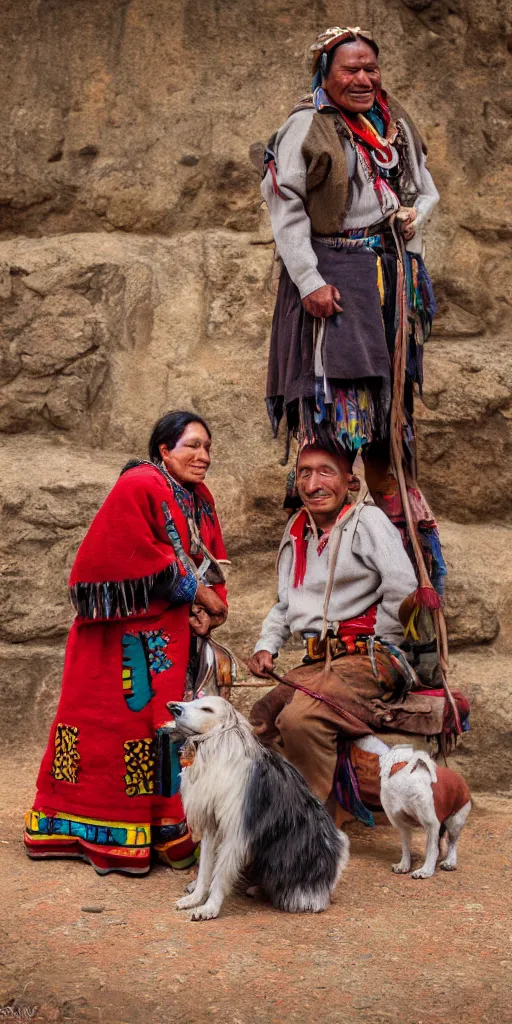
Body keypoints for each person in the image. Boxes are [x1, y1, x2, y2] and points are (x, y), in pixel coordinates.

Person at [261, 25, 446, 604]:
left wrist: (416, 218)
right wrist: (310, 280)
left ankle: (412, 573)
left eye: (371, 68)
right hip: (334, 278)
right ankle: (329, 578)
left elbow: (425, 189)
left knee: (390, 427)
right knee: (336, 414)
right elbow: (284, 205)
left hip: (388, 280)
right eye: (351, 69)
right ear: (325, 72)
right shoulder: (304, 127)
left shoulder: (394, 125)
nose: (363, 79)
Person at [24, 411, 228, 875]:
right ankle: (86, 829)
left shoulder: (198, 498)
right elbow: (128, 556)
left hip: (166, 636)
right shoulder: (140, 484)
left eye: (207, 448)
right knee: (112, 733)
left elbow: (210, 562)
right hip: (116, 643)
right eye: (191, 446)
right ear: (164, 449)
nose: (202, 456)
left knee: (161, 732)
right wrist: (197, 594)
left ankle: (162, 830)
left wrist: (208, 608)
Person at [247, 440, 468, 820]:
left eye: (325, 472)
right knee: (262, 717)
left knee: (300, 719)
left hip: (373, 658)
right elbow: (286, 603)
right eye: (304, 473)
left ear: (350, 482)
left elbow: (402, 587)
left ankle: (309, 825)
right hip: (320, 661)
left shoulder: (367, 521)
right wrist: (267, 645)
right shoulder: (297, 529)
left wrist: (372, 640)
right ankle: (284, 808)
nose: (313, 483)